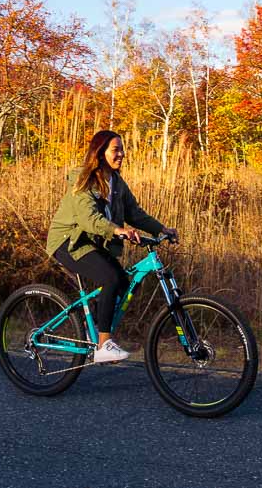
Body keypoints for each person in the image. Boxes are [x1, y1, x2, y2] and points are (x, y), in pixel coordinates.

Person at [45, 130, 177, 363]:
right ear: (100, 153)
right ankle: (104, 343)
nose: (122, 154)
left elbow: (135, 213)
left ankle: (94, 328)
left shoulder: (117, 183)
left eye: (122, 149)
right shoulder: (83, 179)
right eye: (116, 149)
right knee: (111, 279)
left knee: (122, 281)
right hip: (68, 241)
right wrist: (118, 230)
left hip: (89, 242)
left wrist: (161, 229)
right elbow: (88, 218)